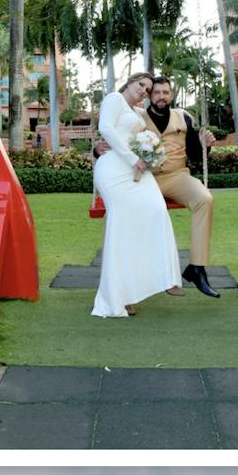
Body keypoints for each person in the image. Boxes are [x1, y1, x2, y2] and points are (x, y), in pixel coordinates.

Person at [92, 73, 183, 318]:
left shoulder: (138, 111)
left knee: (157, 210)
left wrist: (150, 151)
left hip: (136, 169)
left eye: (148, 89)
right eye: (141, 84)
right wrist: (133, 158)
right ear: (130, 82)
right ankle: (120, 296)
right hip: (115, 168)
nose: (144, 90)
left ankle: (165, 276)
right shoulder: (114, 99)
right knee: (123, 226)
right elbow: (105, 128)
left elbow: (162, 117)